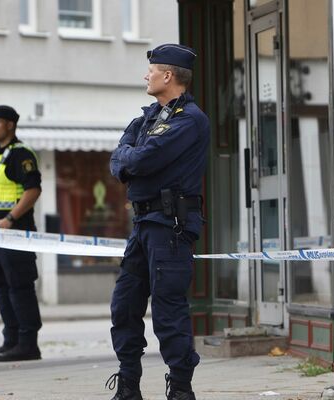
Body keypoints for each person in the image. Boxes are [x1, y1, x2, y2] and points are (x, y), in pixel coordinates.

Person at [106, 43, 209, 400]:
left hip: (170, 228)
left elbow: (142, 161)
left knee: (168, 312)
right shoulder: (149, 116)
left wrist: (130, 159)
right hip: (143, 225)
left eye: (151, 71)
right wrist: (129, 159)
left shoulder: (189, 120)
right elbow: (120, 157)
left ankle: (180, 387)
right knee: (124, 306)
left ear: (168, 76)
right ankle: (129, 384)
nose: (145, 76)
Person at [0, 105, 43, 363]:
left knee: (20, 287)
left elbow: (33, 190)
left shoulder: (21, 154)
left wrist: (10, 218)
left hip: (14, 232)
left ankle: (28, 344)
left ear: (10, 125)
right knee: (3, 288)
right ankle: (11, 341)